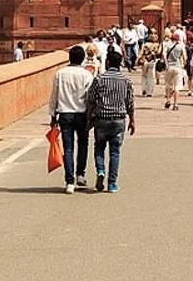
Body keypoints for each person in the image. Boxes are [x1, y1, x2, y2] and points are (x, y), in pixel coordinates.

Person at [86, 56, 136, 193]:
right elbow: (130, 102)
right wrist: (132, 120)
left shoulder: (99, 79)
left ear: (107, 63)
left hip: (101, 119)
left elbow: (91, 100)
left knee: (99, 147)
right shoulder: (126, 80)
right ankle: (112, 183)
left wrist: (88, 119)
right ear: (120, 63)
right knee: (115, 152)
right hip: (118, 119)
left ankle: (101, 171)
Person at [49, 45, 93, 194]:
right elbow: (90, 98)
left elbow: (54, 96)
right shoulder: (87, 75)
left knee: (68, 148)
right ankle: (80, 174)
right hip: (81, 114)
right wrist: (91, 116)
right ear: (83, 59)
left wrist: (52, 115)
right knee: (83, 144)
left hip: (65, 114)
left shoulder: (60, 73)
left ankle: (69, 182)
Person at [163, 34, 187, 111]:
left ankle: (168, 100)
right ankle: (175, 104)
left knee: (168, 84)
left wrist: (166, 63)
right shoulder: (181, 46)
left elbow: (163, 54)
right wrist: (183, 63)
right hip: (178, 67)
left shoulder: (167, 44)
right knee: (177, 87)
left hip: (169, 67)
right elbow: (185, 57)